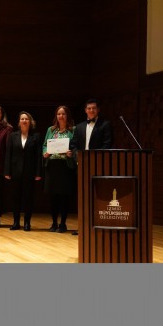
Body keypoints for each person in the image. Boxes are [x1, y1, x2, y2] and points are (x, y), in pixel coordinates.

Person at [70, 98, 113, 235]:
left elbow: (107, 144)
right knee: (83, 197)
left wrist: (97, 160)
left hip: (98, 166)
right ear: (85, 110)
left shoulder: (105, 125)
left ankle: (96, 226)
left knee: (96, 196)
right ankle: (82, 227)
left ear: (98, 110)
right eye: (89, 108)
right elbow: (74, 145)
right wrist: (78, 158)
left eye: (94, 108)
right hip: (82, 166)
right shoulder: (80, 126)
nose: (91, 110)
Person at [4, 111, 42, 231]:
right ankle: (16, 222)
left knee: (28, 198)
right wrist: (7, 171)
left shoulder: (36, 136)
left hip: (29, 172)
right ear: (19, 122)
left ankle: (27, 223)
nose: (24, 121)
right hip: (15, 172)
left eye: (26, 119)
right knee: (15, 198)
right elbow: (8, 155)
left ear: (30, 122)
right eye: (22, 119)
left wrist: (38, 173)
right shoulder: (13, 136)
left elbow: (38, 156)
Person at [43, 105, 76, 233]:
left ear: (67, 116)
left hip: (65, 167)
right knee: (53, 196)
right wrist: (45, 153)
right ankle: (54, 223)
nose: (61, 116)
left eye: (63, 114)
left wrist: (71, 153)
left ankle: (63, 223)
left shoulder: (72, 130)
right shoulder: (51, 130)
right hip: (52, 166)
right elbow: (45, 145)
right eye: (58, 114)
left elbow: (75, 146)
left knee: (64, 196)